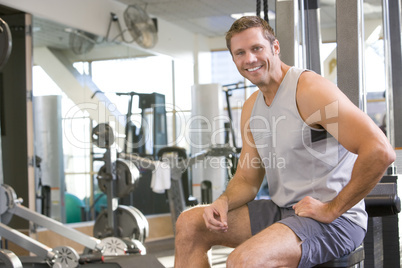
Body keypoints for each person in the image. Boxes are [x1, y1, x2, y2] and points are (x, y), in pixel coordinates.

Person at [174, 16, 395, 268]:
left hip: (335, 221)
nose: (249, 59)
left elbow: (379, 151)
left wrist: (332, 209)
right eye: (240, 53)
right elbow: (247, 179)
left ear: (275, 47)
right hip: (283, 211)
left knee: (243, 260)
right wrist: (222, 201)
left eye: (256, 48)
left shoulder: (309, 91)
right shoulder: (251, 108)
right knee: (189, 224)